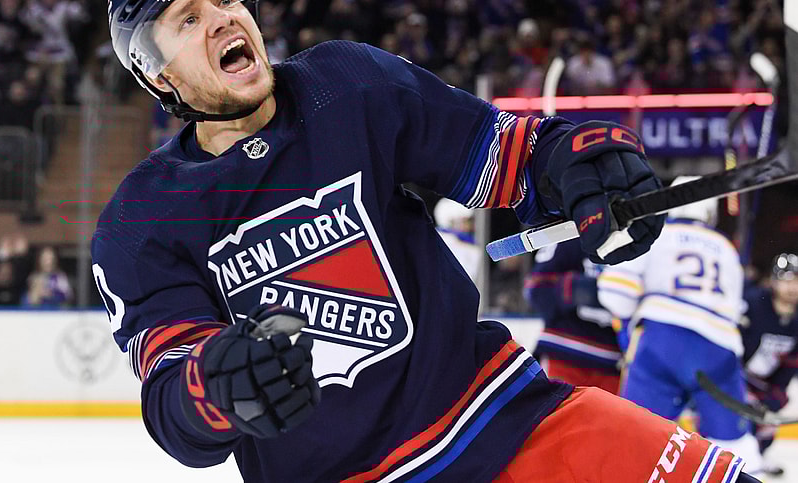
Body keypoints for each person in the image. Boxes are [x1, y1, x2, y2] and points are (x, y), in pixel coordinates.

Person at [93, 1, 756, 481]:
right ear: (160, 77)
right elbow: (175, 401)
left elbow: (506, 156)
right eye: (187, 18)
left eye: (227, 0)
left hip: (504, 420)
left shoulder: (347, 83)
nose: (223, 18)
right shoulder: (142, 219)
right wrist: (216, 389)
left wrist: (580, 162)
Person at [598, 176, 763, 474]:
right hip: (719, 348)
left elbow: (616, 294)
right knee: (734, 444)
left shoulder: (655, 234)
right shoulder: (726, 248)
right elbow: (736, 311)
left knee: (635, 437)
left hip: (662, 341)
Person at [525, 239, 622, 394]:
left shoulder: (647, 233)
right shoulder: (573, 231)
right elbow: (536, 288)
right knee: (552, 417)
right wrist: (577, 290)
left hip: (615, 366)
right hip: (564, 354)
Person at [740, 253, 798, 477]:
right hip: (734, 375)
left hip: (762, 382)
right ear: (774, 281)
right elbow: (731, 343)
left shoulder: (796, 320)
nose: (792, 287)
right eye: (787, 279)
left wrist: (776, 392)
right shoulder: (753, 303)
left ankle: (757, 458)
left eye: (797, 281)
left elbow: (792, 362)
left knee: (768, 423)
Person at [433, 197, 480, 282]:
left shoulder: (465, 243)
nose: (468, 226)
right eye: (465, 221)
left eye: (469, 221)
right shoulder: (445, 241)